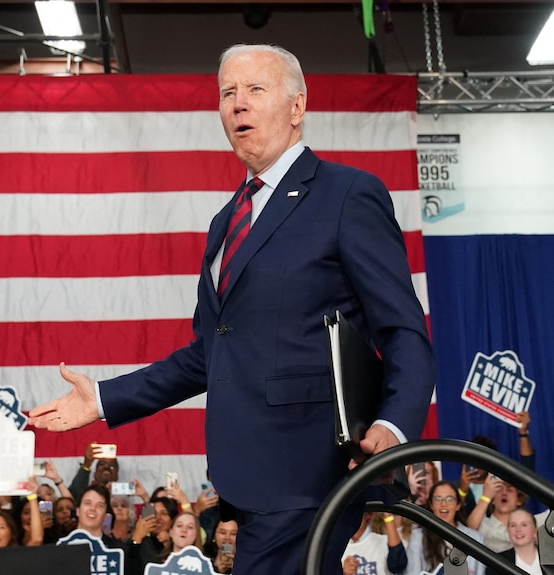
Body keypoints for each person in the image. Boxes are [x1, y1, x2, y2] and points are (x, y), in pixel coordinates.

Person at [28, 42, 436, 574]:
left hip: (310, 469)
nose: (238, 104)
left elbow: (403, 328)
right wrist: (105, 399)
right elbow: (208, 356)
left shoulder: (347, 195)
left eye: (255, 90)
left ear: (297, 107)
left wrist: (394, 426)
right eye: (227, 93)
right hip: (245, 478)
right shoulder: (226, 221)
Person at [405, 481, 486, 575]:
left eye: (449, 498)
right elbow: (411, 573)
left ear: (458, 505)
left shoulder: (475, 538)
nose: (443, 504)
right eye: (438, 499)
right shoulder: (419, 536)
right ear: (431, 505)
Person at [499, 508, 542, 575]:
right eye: (513, 525)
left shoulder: (551, 556)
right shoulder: (498, 561)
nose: (518, 529)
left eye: (524, 525)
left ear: (535, 530)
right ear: (508, 531)